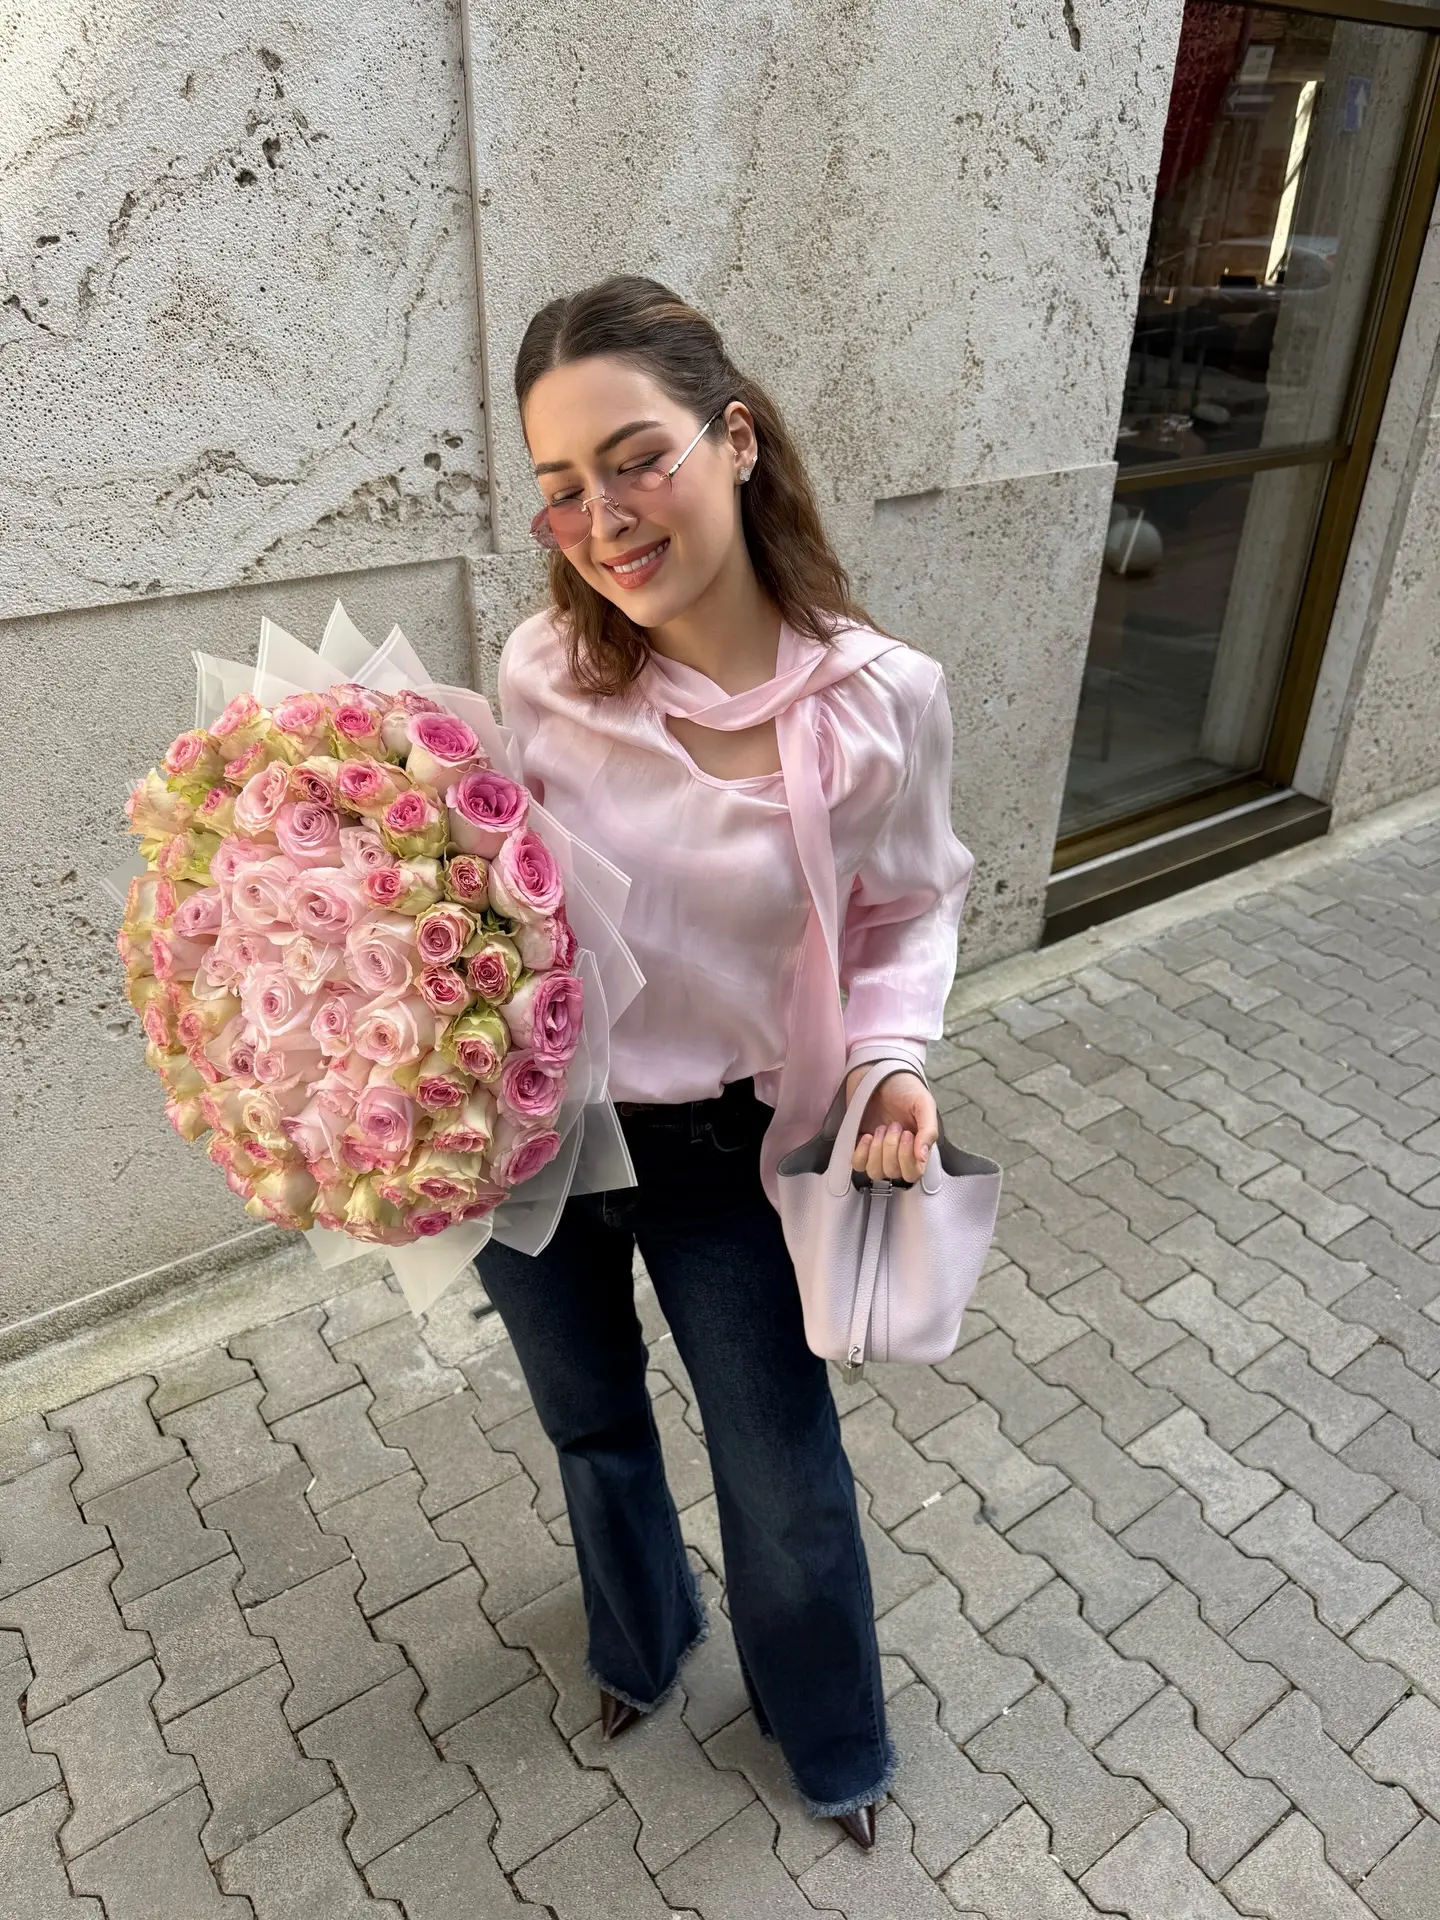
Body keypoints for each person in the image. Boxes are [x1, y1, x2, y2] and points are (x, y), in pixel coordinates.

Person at [475, 274, 973, 1848]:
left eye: (637, 460)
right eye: (563, 488)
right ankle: (640, 1642)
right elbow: (488, 887)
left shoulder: (882, 704)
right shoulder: (541, 673)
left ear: (736, 440)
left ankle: (831, 1742)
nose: (605, 520)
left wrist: (892, 1058)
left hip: (725, 1158)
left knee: (782, 1478)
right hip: (542, 1136)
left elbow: (912, 904)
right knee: (588, 1420)